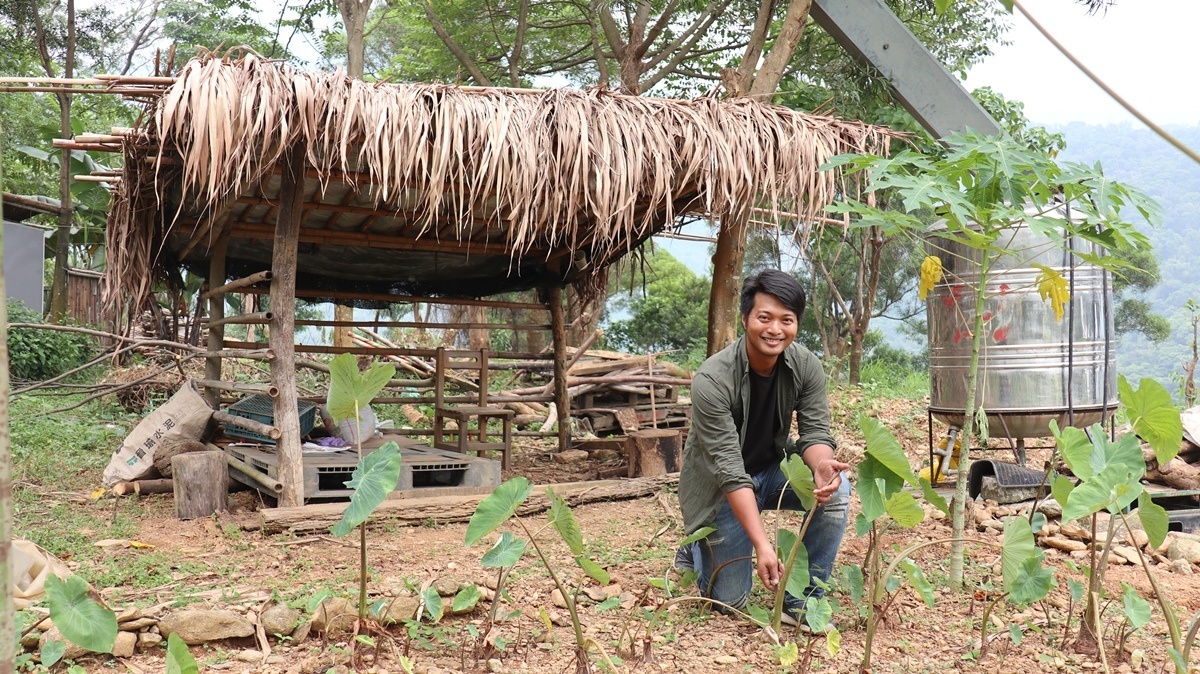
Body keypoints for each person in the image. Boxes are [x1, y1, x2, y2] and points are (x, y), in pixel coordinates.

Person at [676, 270, 851, 625]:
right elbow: (727, 469)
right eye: (764, 318)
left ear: (796, 324)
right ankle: (696, 546)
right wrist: (763, 545)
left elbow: (816, 432)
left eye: (786, 320)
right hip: (721, 489)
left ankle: (801, 600)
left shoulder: (806, 366)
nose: (775, 330)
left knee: (838, 490)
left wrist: (820, 466)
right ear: (745, 320)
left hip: (772, 472)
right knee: (729, 602)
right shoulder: (712, 379)